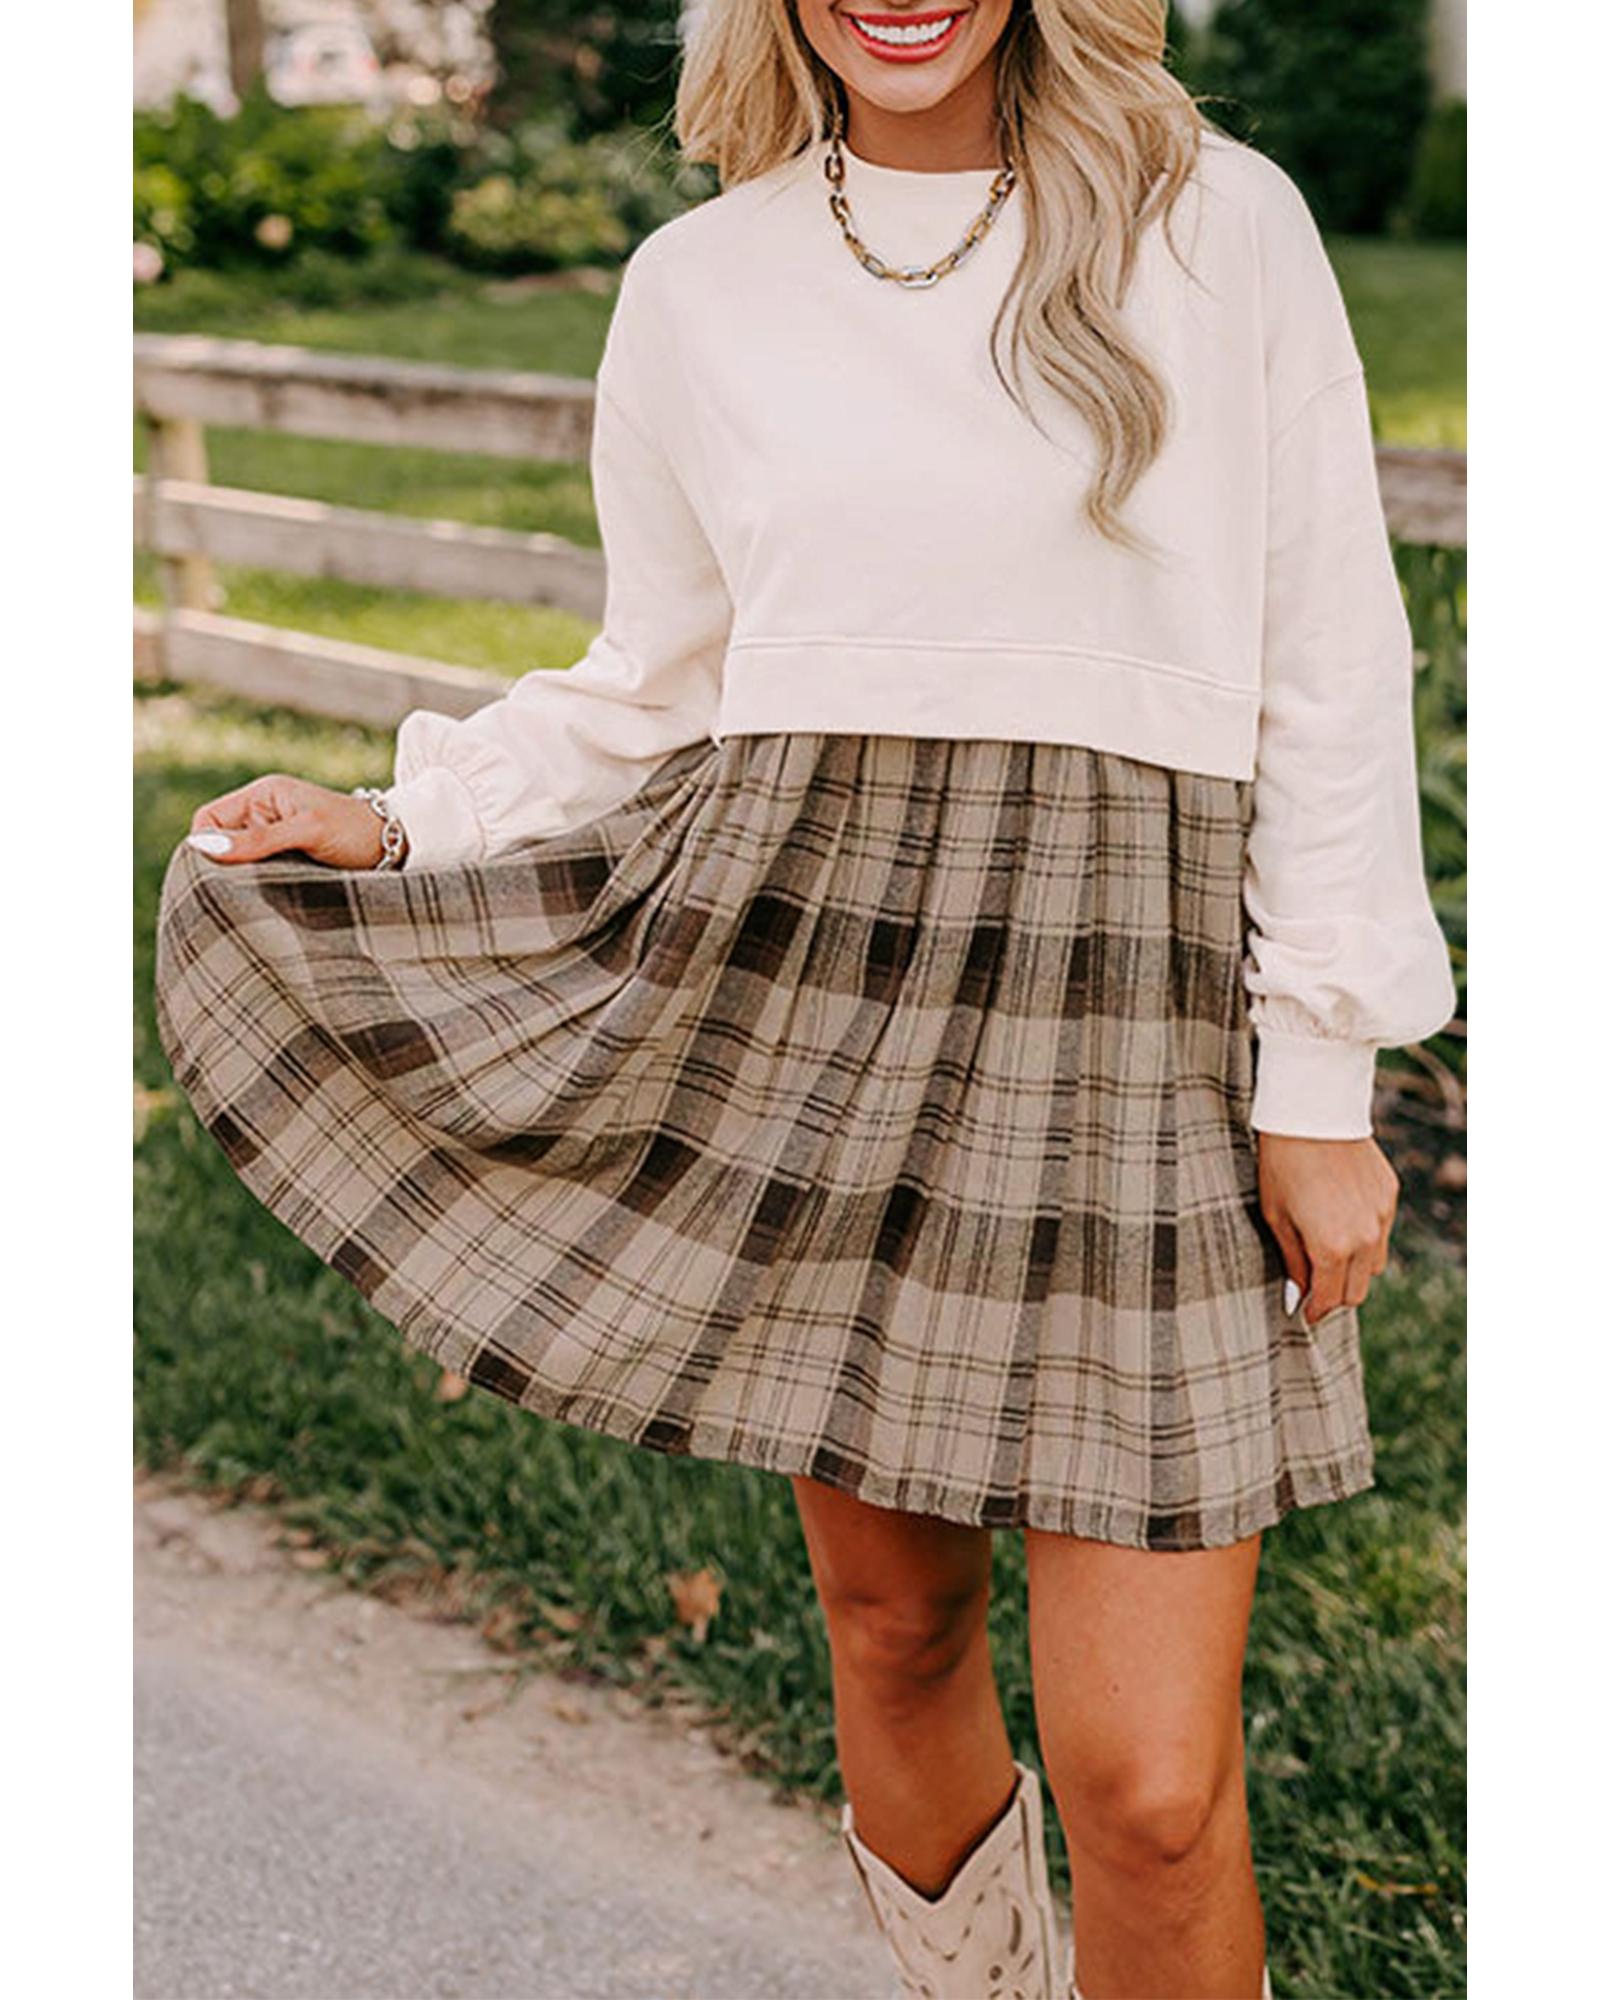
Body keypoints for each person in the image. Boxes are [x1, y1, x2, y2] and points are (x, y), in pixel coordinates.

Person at [152, 4, 1457, 1996]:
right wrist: (410, 819)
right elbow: (660, 676)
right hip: (820, 989)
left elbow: (1332, 666)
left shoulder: (1222, 227)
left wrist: (1321, 1075)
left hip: (1143, 1026)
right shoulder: (703, 284)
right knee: (895, 1629)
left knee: (1151, 1784)